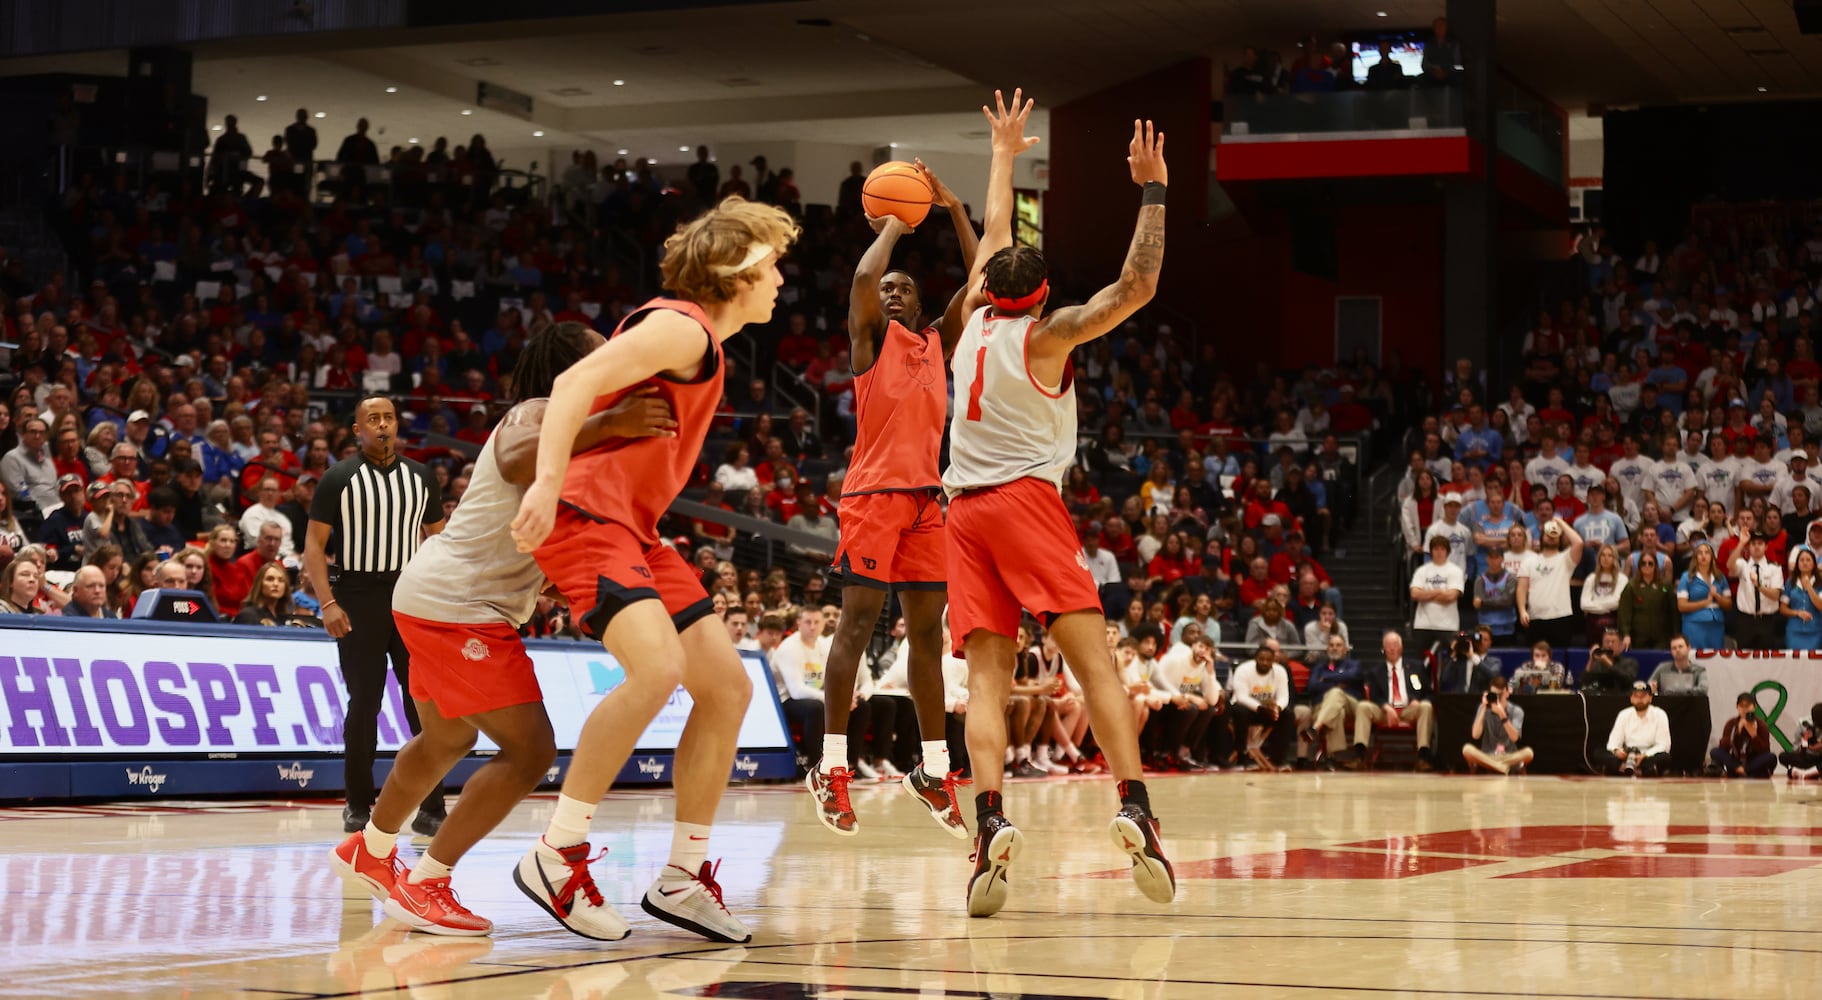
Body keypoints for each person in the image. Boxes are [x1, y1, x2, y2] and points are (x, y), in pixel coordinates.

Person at [507, 195, 800, 945]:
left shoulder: (699, 338)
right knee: (658, 667)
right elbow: (568, 388)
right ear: (736, 271)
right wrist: (545, 483)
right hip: (585, 515)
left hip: (633, 528)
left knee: (727, 686)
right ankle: (556, 850)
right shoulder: (679, 326)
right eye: (770, 265)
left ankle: (681, 877)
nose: (779, 279)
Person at [330, 322, 674, 937]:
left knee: (445, 741)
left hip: (436, 595)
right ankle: (428, 881)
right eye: (602, 351)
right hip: (459, 604)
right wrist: (611, 423)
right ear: (572, 367)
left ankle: (371, 848)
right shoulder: (538, 412)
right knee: (531, 750)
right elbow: (518, 458)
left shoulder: (568, 431)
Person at [941, 101, 1173, 918]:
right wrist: (1153, 192)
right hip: (1024, 504)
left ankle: (990, 823)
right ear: (1041, 298)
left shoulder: (970, 313)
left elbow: (996, 225)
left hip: (960, 513)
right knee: (1094, 665)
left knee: (986, 682)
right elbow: (1137, 284)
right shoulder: (1048, 336)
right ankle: (1135, 803)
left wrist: (1001, 153)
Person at [810, 158, 981, 840]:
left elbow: (983, 284)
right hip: (873, 496)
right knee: (856, 627)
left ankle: (934, 768)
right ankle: (830, 765)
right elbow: (859, 279)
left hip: (924, 502)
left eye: (904, 288)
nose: (890, 293)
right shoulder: (867, 347)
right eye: (886, 288)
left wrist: (958, 212)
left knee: (928, 639)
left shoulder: (940, 343)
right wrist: (892, 225)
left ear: (921, 303)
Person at [303, 395, 448, 836]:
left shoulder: (422, 477)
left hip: (410, 596)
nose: (382, 425)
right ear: (356, 429)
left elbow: (440, 544)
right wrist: (327, 603)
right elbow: (313, 547)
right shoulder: (337, 478)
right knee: (364, 702)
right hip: (357, 596)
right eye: (373, 419)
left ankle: (433, 806)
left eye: (388, 418)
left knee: (420, 702)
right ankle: (357, 804)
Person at [1341, 630, 1437, 771]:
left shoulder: (1416, 667)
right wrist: (1386, 707)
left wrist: (1416, 700)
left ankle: (1423, 757)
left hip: (1408, 710)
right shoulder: (1376, 671)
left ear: (1401, 647)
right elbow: (1374, 697)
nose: (1392, 648)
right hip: (1385, 712)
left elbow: (1429, 693)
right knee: (1363, 706)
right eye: (1388, 645)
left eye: (1395, 645)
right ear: (1383, 649)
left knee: (1426, 706)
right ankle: (1360, 757)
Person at [1517, 518, 1582, 649]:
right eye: (1548, 534)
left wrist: (1560, 523)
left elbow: (1579, 543)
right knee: (1536, 660)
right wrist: (1522, 610)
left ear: (1560, 539)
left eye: (1555, 535)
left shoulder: (1565, 559)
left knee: (1560, 661)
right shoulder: (1529, 561)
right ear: (1542, 536)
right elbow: (1522, 588)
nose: (1551, 537)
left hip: (1561, 618)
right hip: (1535, 618)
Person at [1227, 641, 1292, 770]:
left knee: (1288, 715)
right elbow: (1241, 697)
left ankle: (1279, 760)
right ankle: (1242, 759)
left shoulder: (1280, 671)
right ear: (1255, 658)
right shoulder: (1243, 669)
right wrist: (1261, 708)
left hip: (1268, 709)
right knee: (1240, 712)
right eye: (1261, 659)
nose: (1264, 662)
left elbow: (1284, 696)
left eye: (1268, 660)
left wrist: (1277, 708)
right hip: (1246, 708)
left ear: (1273, 660)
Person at [1462, 675, 1533, 775]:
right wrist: (1483, 708)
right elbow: (1475, 735)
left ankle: (1494, 766)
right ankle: (1500, 767)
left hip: (1508, 755)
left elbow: (1515, 738)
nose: (1497, 699)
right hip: (1488, 755)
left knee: (1528, 753)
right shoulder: (1483, 708)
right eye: (1494, 695)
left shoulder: (1516, 711)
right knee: (1467, 749)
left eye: (1500, 695)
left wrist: (1503, 716)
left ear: (1507, 693)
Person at [1408, 535, 1463, 658]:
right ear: (1431, 551)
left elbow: (1451, 596)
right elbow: (1414, 594)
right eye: (1436, 549)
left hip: (1448, 626)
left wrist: (1426, 594)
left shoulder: (1455, 571)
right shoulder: (1421, 571)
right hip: (1423, 625)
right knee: (1421, 664)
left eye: (1442, 549)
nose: (1439, 552)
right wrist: (1439, 591)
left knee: (1450, 662)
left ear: (1447, 551)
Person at [1606, 681, 1673, 776]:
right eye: (1636, 696)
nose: (1639, 699)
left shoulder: (1660, 714)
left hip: (1648, 755)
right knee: (1600, 753)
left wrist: (1644, 755)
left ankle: (1639, 769)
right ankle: (1629, 768)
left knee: (1665, 758)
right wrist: (1618, 751)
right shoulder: (1624, 714)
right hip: (1627, 755)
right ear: (1631, 698)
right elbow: (1613, 742)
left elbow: (1664, 745)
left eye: (1643, 696)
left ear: (1650, 698)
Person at [1734, 533, 1785, 650]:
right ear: (1749, 547)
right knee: (1743, 657)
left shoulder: (1774, 568)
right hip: (1745, 619)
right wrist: (1741, 543)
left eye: (1760, 544)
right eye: (1753, 544)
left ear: (1766, 547)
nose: (1756, 547)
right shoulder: (1743, 565)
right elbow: (1730, 565)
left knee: (1766, 660)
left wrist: (1759, 585)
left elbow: (1775, 596)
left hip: (1766, 620)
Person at [1676, 541, 1731, 650]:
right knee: (1695, 658)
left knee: (1716, 658)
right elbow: (1681, 606)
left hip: (1716, 625)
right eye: (1700, 553)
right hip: (1694, 624)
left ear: (1712, 556)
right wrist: (1706, 602)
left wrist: (1717, 597)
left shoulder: (1720, 577)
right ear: (1695, 556)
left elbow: (1728, 604)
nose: (1703, 556)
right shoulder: (1686, 577)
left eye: (1707, 552)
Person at [1617, 552, 1676, 650]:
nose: (1647, 566)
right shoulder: (1631, 587)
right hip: (1637, 638)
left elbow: (1674, 613)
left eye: (1650, 563)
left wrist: (1675, 635)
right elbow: (1624, 613)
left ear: (1656, 566)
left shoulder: (1665, 586)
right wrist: (1626, 634)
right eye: (1643, 563)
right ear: (1639, 566)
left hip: (1662, 638)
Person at [1707, 692, 1776, 778]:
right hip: (1737, 760)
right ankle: (1743, 771)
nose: (1744, 709)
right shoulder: (1731, 723)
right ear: (1737, 707)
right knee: (1714, 751)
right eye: (1741, 706)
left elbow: (1765, 750)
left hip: (1753, 760)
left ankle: (1743, 771)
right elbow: (1723, 747)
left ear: (1754, 707)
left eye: (1747, 706)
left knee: (1771, 757)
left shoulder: (1761, 724)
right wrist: (1737, 732)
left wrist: (1754, 735)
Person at [1783, 548, 1822, 650]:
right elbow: (1783, 609)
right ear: (1797, 563)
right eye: (1802, 560)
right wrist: (1797, 613)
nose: (1805, 563)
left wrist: (1809, 586)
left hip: (1815, 631)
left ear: (1814, 563)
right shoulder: (1790, 582)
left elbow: (1820, 606)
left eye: (1808, 560)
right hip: (1794, 631)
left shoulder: (1820, 583)